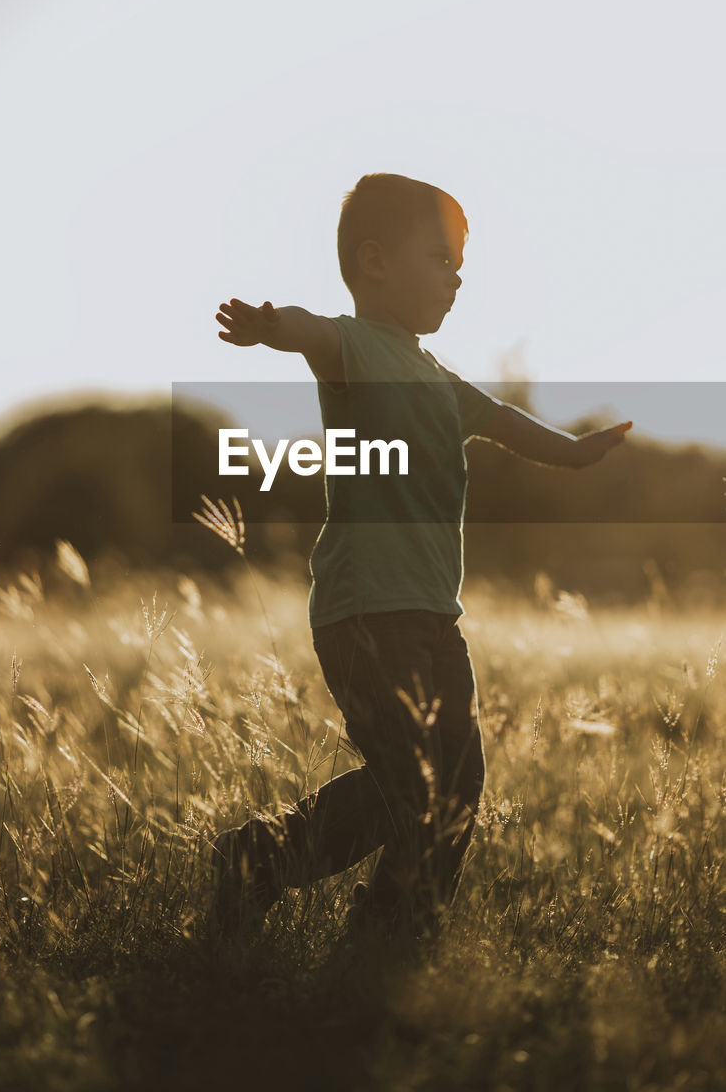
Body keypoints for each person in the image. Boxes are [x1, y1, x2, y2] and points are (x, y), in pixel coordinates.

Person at [210, 172, 632, 940]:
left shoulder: (439, 382)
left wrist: (574, 453)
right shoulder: (356, 352)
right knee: (410, 779)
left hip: (436, 617)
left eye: (459, 264)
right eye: (440, 259)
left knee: (456, 782)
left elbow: (506, 421)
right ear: (374, 263)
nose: (456, 277)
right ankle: (262, 858)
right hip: (367, 609)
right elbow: (312, 329)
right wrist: (268, 325)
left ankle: (398, 926)